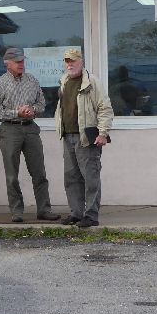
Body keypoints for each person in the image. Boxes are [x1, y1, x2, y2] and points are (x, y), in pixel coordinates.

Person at [0, 47, 61, 223]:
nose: (21, 64)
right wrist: (17, 113)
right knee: (12, 175)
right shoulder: (0, 83)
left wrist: (32, 110)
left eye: (22, 61)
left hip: (30, 129)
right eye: (18, 62)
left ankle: (44, 210)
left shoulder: (32, 80)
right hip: (10, 129)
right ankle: (17, 211)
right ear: (8, 64)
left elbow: (42, 103)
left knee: (39, 172)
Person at [54, 47, 114, 228]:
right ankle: (76, 214)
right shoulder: (64, 81)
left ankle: (91, 215)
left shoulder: (92, 82)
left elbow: (105, 108)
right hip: (68, 136)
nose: (70, 64)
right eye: (67, 61)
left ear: (81, 62)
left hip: (87, 138)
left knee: (90, 176)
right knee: (71, 177)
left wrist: (103, 133)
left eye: (73, 60)